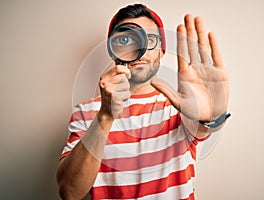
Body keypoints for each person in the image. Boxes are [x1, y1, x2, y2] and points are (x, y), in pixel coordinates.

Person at [56, 3, 230, 200]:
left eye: (150, 39)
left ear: (161, 51)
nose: (140, 47)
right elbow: (69, 192)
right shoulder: (86, 113)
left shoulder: (178, 107)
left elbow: (202, 127)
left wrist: (212, 115)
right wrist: (105, 115)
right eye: (125, 39)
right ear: (113, 51)